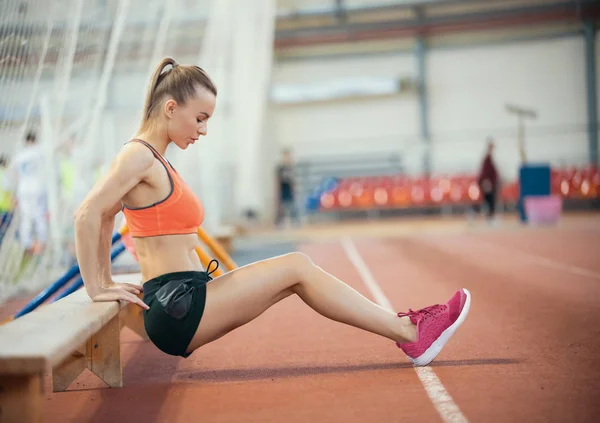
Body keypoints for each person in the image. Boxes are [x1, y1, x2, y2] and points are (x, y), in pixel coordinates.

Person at [74, 57, 471, 366]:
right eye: (200, 118)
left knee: (297, 272)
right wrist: (97, 285)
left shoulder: (156, 160)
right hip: (178, 308)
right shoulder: (137, 156)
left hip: (186, 296)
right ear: (171, 108)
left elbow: (108, 214)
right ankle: (408, 332)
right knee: (297, 267)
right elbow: (89, 213)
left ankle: (407, 331)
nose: (203, 130)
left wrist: (107, 276)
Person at [10, 131, 48, 254]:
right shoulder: (39, 151)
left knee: (26, 217)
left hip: (23, 189)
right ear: (35, 140)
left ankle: (27, 244)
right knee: (39, 215)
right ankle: (41, 242)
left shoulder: (19, 155)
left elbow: (15, 174)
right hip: (37, 187)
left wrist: (15, 193)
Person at [474, 139, 499, 222]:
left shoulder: (489, 158)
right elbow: (485, 172)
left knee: (489, 201)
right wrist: (486, 182)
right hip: (487, 184)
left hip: (490, 183)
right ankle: (474, 213)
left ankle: (489, 217)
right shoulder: (487, 158)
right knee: (488, 201)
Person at [275, 147, 299, 227]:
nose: (287, 157)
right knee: (282, 206)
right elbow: (278, 180)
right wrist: (277, 192)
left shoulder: (290, 167)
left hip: (289, 189)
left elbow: (293, 180)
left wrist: (295, 188)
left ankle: (294, 220)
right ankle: (280, 221)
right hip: (283, 189)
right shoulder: (280, 168)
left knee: (292, 205)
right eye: (285, 156)